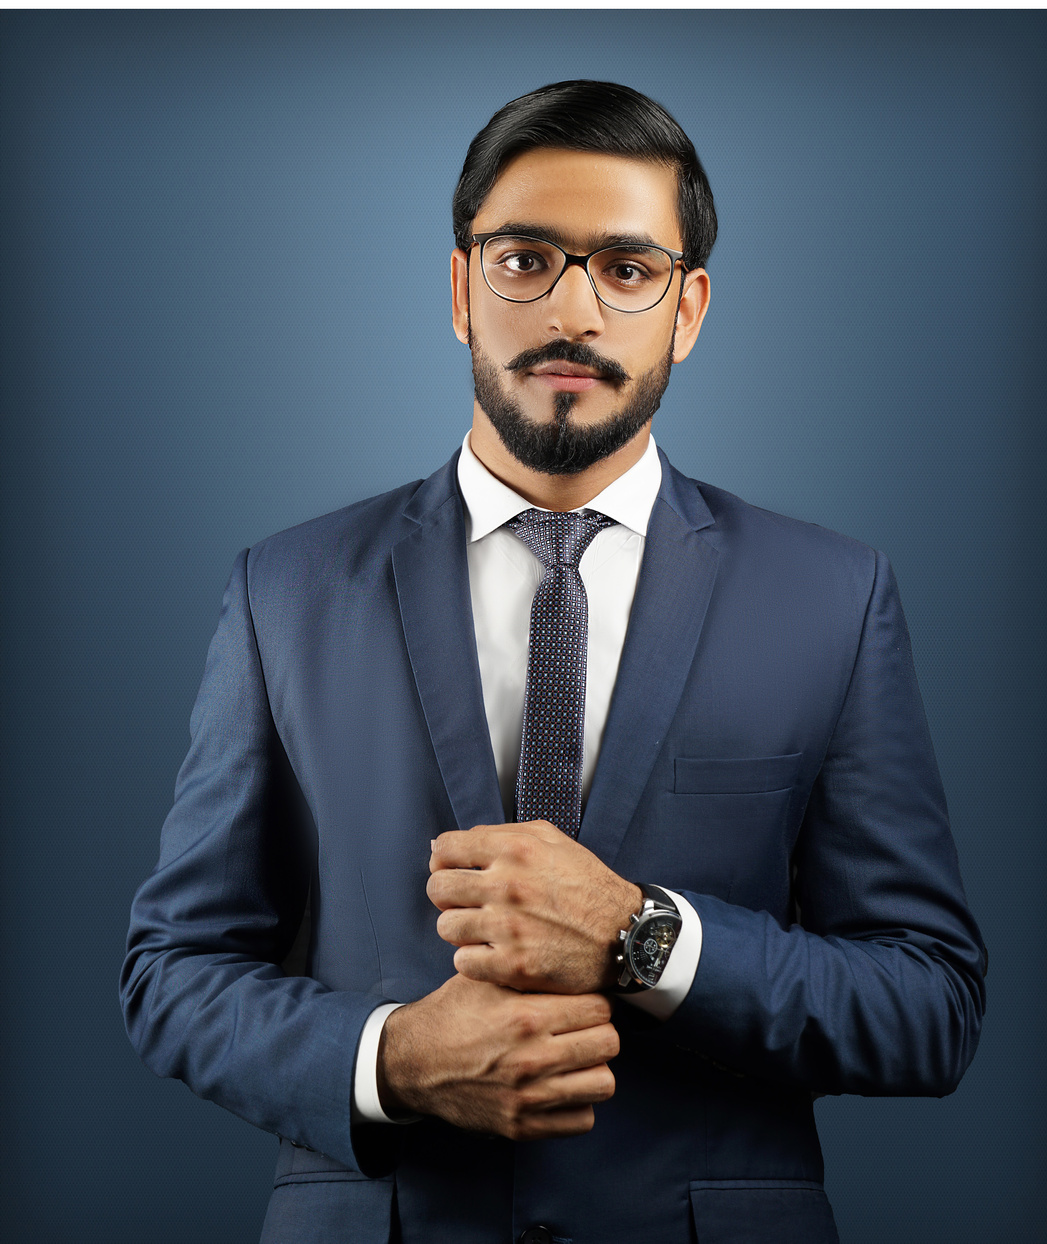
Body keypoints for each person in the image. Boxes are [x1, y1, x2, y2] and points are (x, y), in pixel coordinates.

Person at [121, 80, 986, 1244]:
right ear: (459, 287)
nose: (571, 312)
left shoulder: (833, 595)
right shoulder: (284, 589)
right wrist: (392, 1059)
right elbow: (174, 969)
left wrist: (647, 936)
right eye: (526, 258)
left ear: (688, 309)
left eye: (626, 269)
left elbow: (928, 1002)